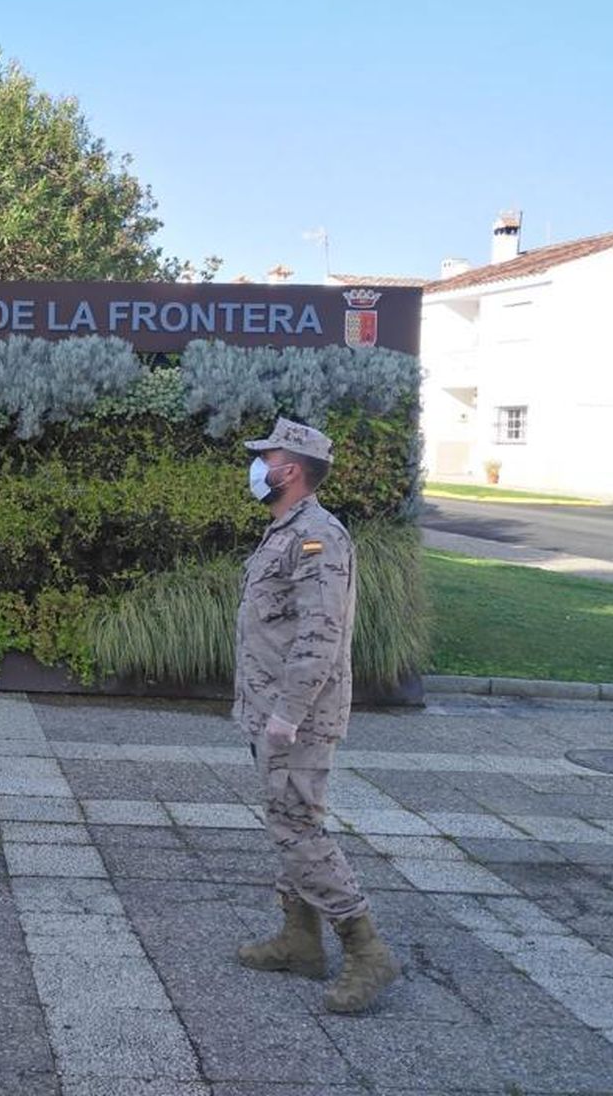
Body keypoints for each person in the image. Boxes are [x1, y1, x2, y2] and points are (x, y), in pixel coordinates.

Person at [232, 416, 399, 1014]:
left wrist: (287, 713)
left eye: (266, 458)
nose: (258, 467)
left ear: (291, 471)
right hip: (271, 708)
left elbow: (320, 633)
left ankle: (366, 948)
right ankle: (300, 940)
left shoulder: (318, 537)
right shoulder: (287, 530)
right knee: (287, 821)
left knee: (299, 828)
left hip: (295, 716)